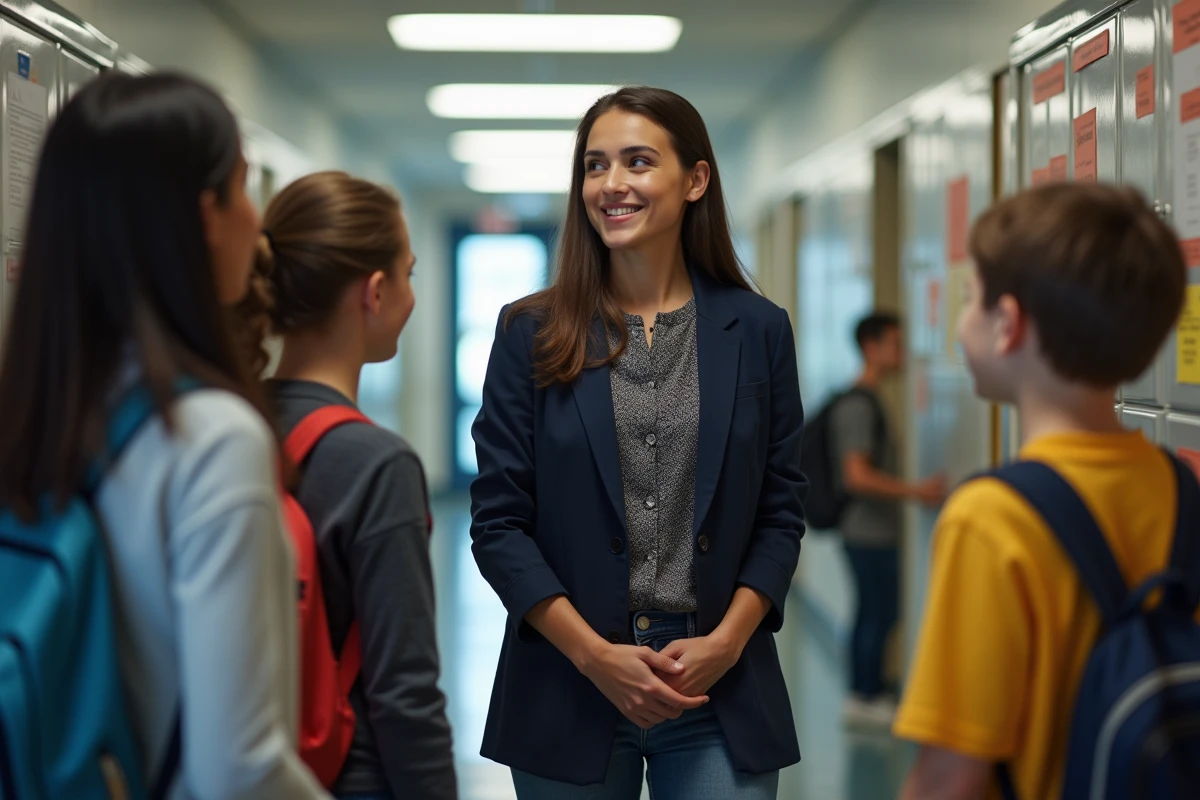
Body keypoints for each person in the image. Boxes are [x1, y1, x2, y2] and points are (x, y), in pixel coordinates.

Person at [469, 86, 806, 800]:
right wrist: (594, 657)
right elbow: (499, 523)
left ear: (695, 180)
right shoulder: (529, 333)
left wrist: (726, 642)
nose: (611, 184)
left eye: (638, 161)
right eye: (595, 166)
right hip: (570, 677)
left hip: (717, 681)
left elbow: (781, 510)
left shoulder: (757, 330)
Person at [0, 72, 329, 797]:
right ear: (204, 214)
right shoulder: (210, 439)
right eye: (243, 189)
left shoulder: (32, 406)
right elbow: (238, 770)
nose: (256, 219)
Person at [894, 184, 1187, 799]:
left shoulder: (991, 517)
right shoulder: (1181, 487)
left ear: (1008, 325)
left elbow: (952, 775)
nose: (959, 322)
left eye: (970, 299)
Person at [238, 171, 457, 800]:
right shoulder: (376, 465)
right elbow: (404, 690)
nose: (413, 297)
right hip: (350, 775)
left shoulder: (226, 425)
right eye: (410, 274)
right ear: (376, 291)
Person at [832, 312, 944, 728]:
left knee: (877, 612)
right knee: (876, 613)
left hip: (875, 532)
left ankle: (868, 691)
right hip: (866, 532)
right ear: (871, 347)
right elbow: (856, 476)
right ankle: (864, 696)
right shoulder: (859, 404)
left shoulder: (874, 397)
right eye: (895, 343)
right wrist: (916, 491)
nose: (902, 352)